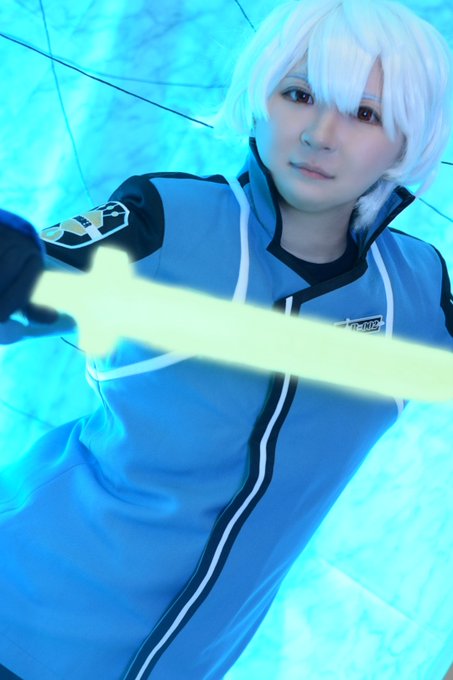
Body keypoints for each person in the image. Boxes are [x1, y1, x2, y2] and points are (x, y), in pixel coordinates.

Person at [0, 0, 452, 678]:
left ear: (407, 139)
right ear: (258, 95)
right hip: (21, 618)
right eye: (299, 95)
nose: (320, 134)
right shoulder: (168, 219)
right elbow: (36, 284)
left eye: (365, 114)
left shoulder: (416, 290)